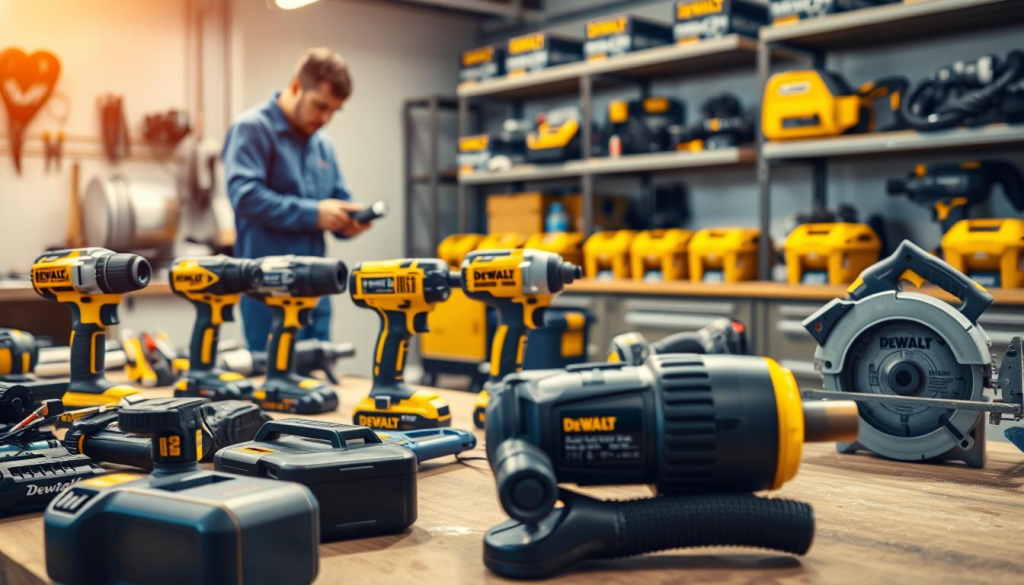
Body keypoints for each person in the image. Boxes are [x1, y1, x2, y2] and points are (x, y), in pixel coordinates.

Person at [222, 47, 369, 351]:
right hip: (268, 293)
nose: (326, 118)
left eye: (334, 111)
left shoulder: (322, 144)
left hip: (318, 290)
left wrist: (349, 222)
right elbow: (246, 197)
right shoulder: (252, 129)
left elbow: (337, 199)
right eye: (320, 106)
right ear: (295, 86)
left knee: (319, 382)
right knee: (271, 390)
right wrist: (313, 214)